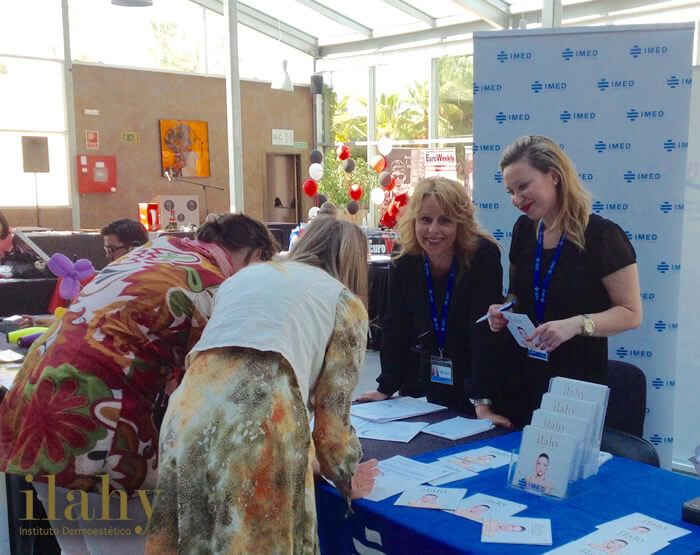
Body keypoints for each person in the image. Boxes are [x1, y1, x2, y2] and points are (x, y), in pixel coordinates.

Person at [0, 214, 277, 553]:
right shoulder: (215, 285)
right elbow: (223, 392)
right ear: (256, 256)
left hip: (35, 411)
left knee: (77, 548)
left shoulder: (154, 251)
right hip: (96, 428)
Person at [145, 217, 379, 553]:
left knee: (189, 541)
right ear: (356, 261)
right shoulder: (344, 304)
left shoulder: (245, 278)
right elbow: (332, 419)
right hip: (258, 434)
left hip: (185, 418)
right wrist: (346, 477)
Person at [488, 135, 642, 428]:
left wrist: (575, 325)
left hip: (576, 379)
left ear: (554, 176)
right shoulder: (523, 230)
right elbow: (517, 294)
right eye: (510, 191)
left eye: (523, 186)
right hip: (521, 375)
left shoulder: (602, 236)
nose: (516, 200)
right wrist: (503, 311)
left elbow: (631, 314)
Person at [356, 176, 511, 426]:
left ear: (461, 223)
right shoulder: (404, 256)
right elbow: (396, 324)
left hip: (477, 371)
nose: (433, 230)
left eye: (445, 220)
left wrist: (483, 401)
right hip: (429, 368)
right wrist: (386, 387)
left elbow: (482, 331)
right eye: (425, 219)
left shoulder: (482, 254)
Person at [17, 218, 150, 328]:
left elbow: (98, 322)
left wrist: (48, 323)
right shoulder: (116, 279)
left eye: (112, 250)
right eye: (106, 250)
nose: (108, 256)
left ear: (134, 248)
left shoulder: (140, 283)